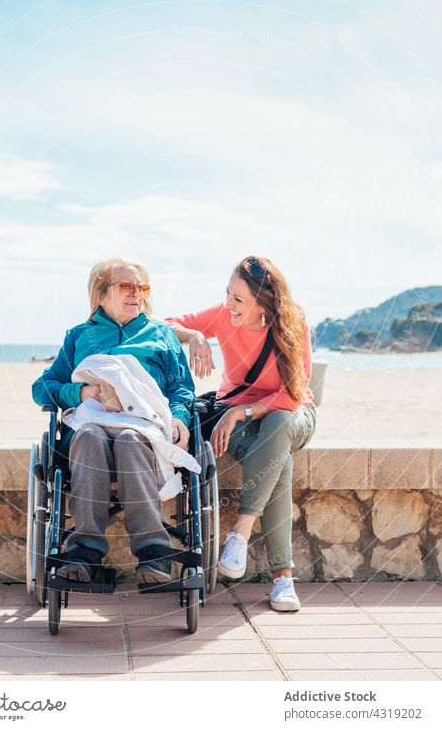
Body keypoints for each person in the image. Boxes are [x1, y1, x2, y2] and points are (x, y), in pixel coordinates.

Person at [32, 258, 195, 586]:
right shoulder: (80, 336)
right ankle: (85, 549)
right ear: (101, 294)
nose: (137, 294)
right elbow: (43, 388)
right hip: (89, 430)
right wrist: (82, 392)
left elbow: (181, 388)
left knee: (129, 440)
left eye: (141, 287)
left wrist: (179, 418)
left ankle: (153, 548)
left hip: (143, 428)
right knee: (91, 436)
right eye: (126, 286)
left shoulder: (161, 334)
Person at [165, 255, 316, 611]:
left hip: (291, 413)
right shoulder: (222, 315)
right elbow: (163, 325)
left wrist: (242, 410)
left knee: (278, 426)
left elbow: (294, 392)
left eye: (238, 299)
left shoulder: (293, 323)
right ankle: (283, 579)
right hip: (237, 421)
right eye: (227, 294)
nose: (228, 304)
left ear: (263, 301)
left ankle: (241, 531)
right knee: (278, 460)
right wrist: (196, 335)